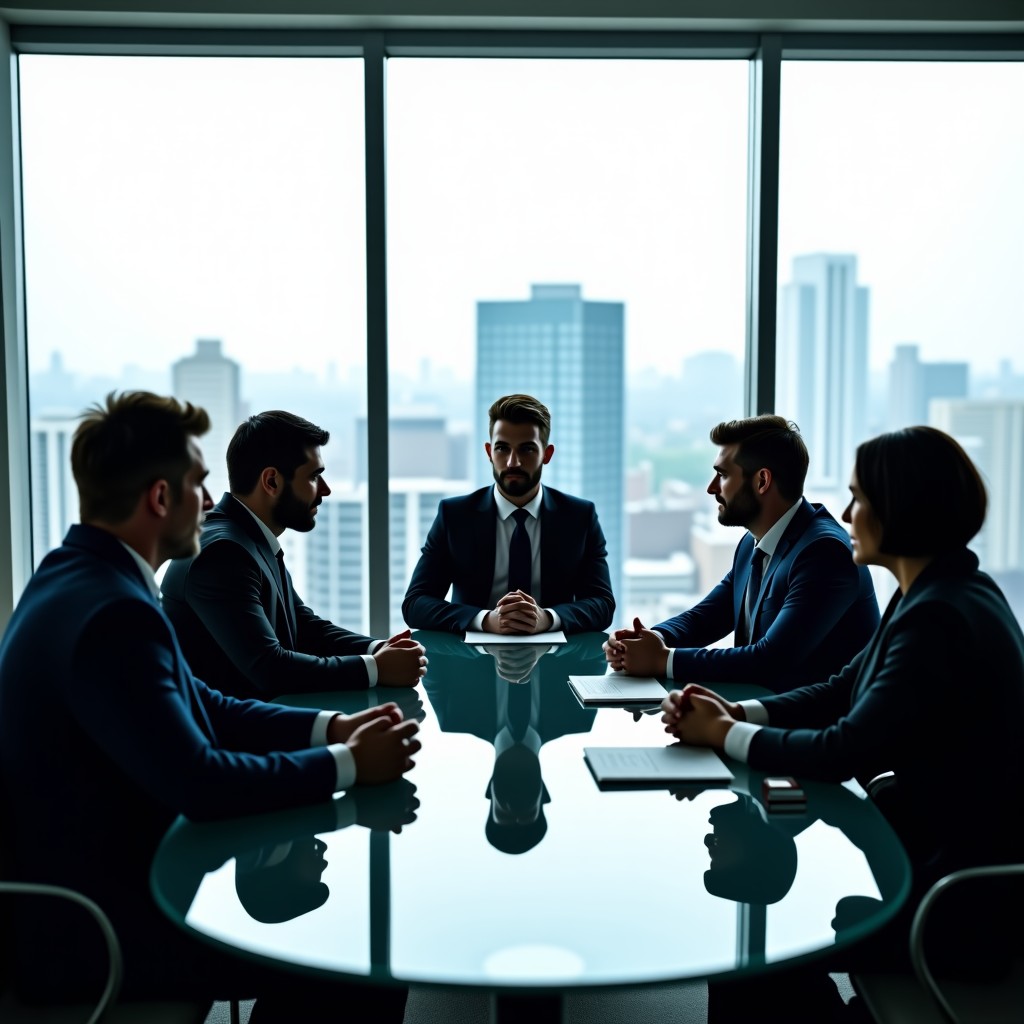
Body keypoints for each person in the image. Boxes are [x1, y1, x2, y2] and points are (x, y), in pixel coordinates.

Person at [0, 392, 418, 1020]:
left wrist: (333, 727)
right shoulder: (114, 613)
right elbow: (201, 781)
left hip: (96, 886)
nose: (210, 499)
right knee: (361, 958)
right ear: (160, 498)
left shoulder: (79, 577)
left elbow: (209, 704)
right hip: (99, 927)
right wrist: (349, 765)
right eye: (198, 484)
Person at [660, 426, 1024, 1019]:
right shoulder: (938, 593)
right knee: (761, 928)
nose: (847, 513)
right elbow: (841, 688)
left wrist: (724, 734)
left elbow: (844, 748)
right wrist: (739, 713)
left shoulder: (939, 617)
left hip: (959, 902)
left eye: (860, 498)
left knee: (756, 945)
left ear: (900, 510)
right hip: (927, 856)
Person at [162, 410, 427, 699]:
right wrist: (375, 668)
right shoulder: (223, 552)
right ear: (272, 481)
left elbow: (302, 625)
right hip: (229, 736)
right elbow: (269, 668)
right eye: (314, 476)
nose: (325, 490)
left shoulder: (248, 536)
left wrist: (378, 648)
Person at [605, 415, 878, 692]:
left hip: (815, 727)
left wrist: (663, 660)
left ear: (762, 481)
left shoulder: (825, 553)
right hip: (762, 714)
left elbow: (770, 660)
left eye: (723, 475)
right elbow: (707, 617)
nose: (711, 488)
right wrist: (646, 640)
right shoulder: (753, 543)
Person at [402, 393, 615, 635]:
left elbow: (602, 605)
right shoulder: (454, 516)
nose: (513, 462)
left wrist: (547, 618)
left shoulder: (579, 517)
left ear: (547, 454)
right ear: (489, 452)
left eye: (527, 449)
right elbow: (415, 604)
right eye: (502, 448)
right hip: (470, 663)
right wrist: (484, 620)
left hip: (556, 659)